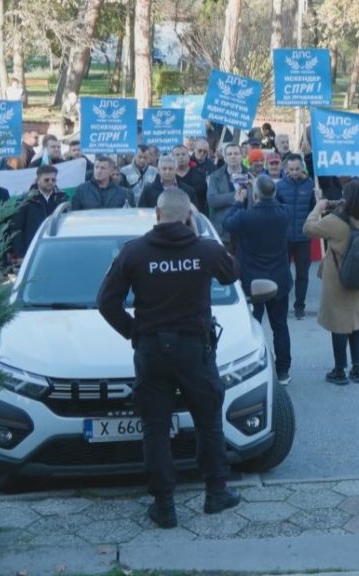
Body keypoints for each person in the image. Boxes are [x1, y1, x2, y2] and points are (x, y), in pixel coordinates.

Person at [96, 189, 242, 529]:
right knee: (208, 421)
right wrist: (200, 238)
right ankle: (216, 493)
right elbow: (232, 273)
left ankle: (164, 507)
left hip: (151, 351)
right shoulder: (205, 249)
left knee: (155, 428)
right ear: (189, 216)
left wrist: (134, 332)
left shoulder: (134, 252)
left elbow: (106, 302)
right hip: (194, 350)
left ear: (157, 215)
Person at [302, 180, 359, 385]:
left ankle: (339, 370)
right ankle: (357, 369)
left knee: (339, 324)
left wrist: (318, 208)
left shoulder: (335, 222)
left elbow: (308, 229)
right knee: (356, 322)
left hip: (338, 279)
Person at [223, 175, 293, 385]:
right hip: (279, 279)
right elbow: (281, 200)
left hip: (252, 281)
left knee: (252, 327)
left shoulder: (246, 217)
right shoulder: (284, 213)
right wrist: (267, 187)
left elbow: (227, 223)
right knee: (280, 326)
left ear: (254, 195)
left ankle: (251, 368)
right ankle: (283, 371)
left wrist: (238, 201)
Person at [275, 154, 315, 319]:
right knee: (283, 274)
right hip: (284, 238)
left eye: (297, 169)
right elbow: (275, 210)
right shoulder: (280, 186)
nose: (294, 172)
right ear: (286, 169)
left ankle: (300, 307)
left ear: (302, 167)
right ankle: (282, 306)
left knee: (302, 275)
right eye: (291, 169)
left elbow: (314, 211)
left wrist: (318, 198)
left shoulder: (311, 185)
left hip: (303, 238)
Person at [10, 165, 68, 263]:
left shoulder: (62, 198)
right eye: (46, 180)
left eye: (53, 180)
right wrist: (21, 254)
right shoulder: (25, 201)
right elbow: (16, 229)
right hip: (33, 249)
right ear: (37, 180)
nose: (50, 182)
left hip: (57, 248)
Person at [207, 143, 249, 249]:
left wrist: (249, 193)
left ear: (242, 156)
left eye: (236, 153)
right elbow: (211, 200)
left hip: (245, 231)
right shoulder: (215, 176)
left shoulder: (250, 175)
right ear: (224, 157)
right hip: (223, 232)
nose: (233, 156)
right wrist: (235, 196)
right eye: (229, 154)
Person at [173, 145, 209, 213]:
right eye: (177, 155)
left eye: (183, 154)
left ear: (189, 156)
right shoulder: (169, 177)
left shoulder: (200, 175)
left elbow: (206, 198)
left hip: (197, 213)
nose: (180, 157)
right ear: (172, 157)